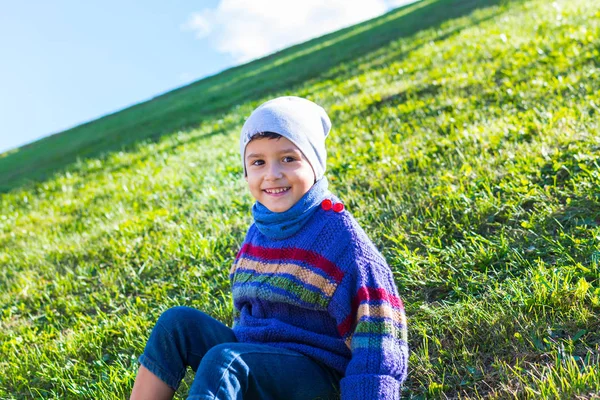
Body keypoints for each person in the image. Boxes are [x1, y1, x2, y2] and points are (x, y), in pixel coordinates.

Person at [130, 96, 408, 400]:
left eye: (289, 159)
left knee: (225, 361)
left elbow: (380, 339)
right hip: (258, 360)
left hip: (317, 376)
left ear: (315, 165)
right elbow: (247, 311)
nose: (272, 174)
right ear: (246, 172)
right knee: (176, 323)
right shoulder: (259, 230)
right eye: (258, 162)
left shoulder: (342, 240)